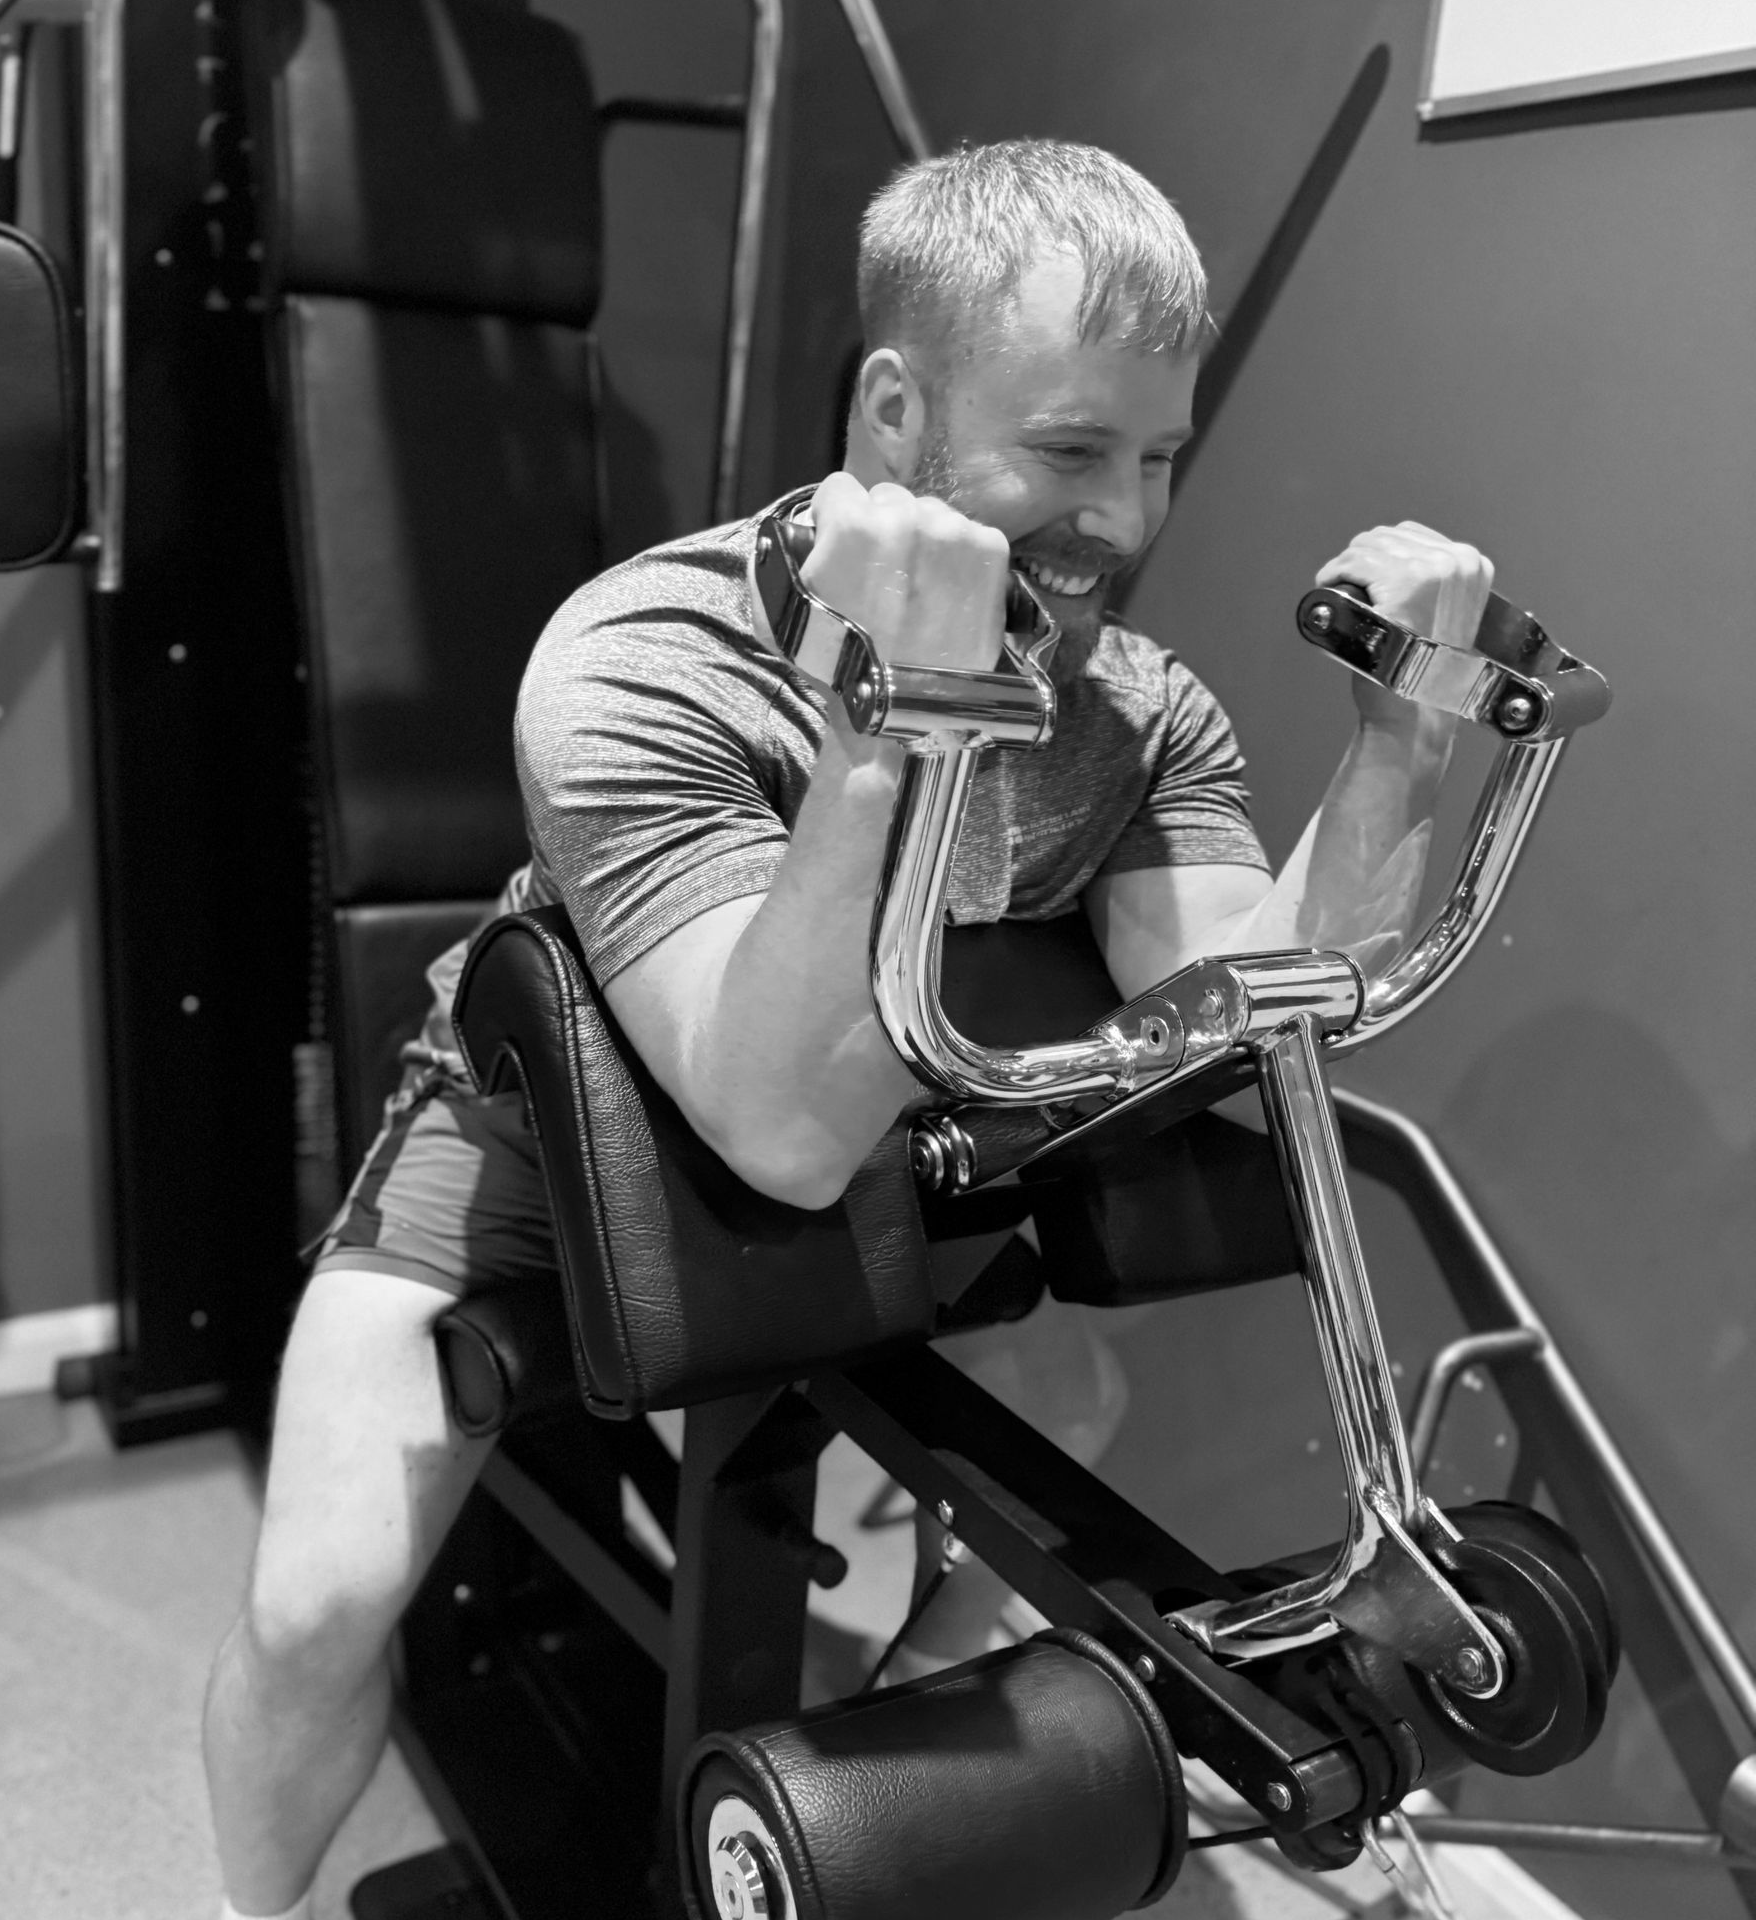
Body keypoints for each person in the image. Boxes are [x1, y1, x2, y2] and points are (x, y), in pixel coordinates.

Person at [202, 137, 1488, 1920]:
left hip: (885, 1153)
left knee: (1069, 1395)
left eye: (1160, 454)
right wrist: (903, 715)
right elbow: (774, 1121)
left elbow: (1253, 1029)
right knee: (321, 1596)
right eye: (1068, 452)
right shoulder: (641, 656)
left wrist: (1407, 731)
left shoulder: (1139, 709)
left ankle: (883, 1726)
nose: (1127, 518)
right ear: (897, 411)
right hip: (524, 1153)